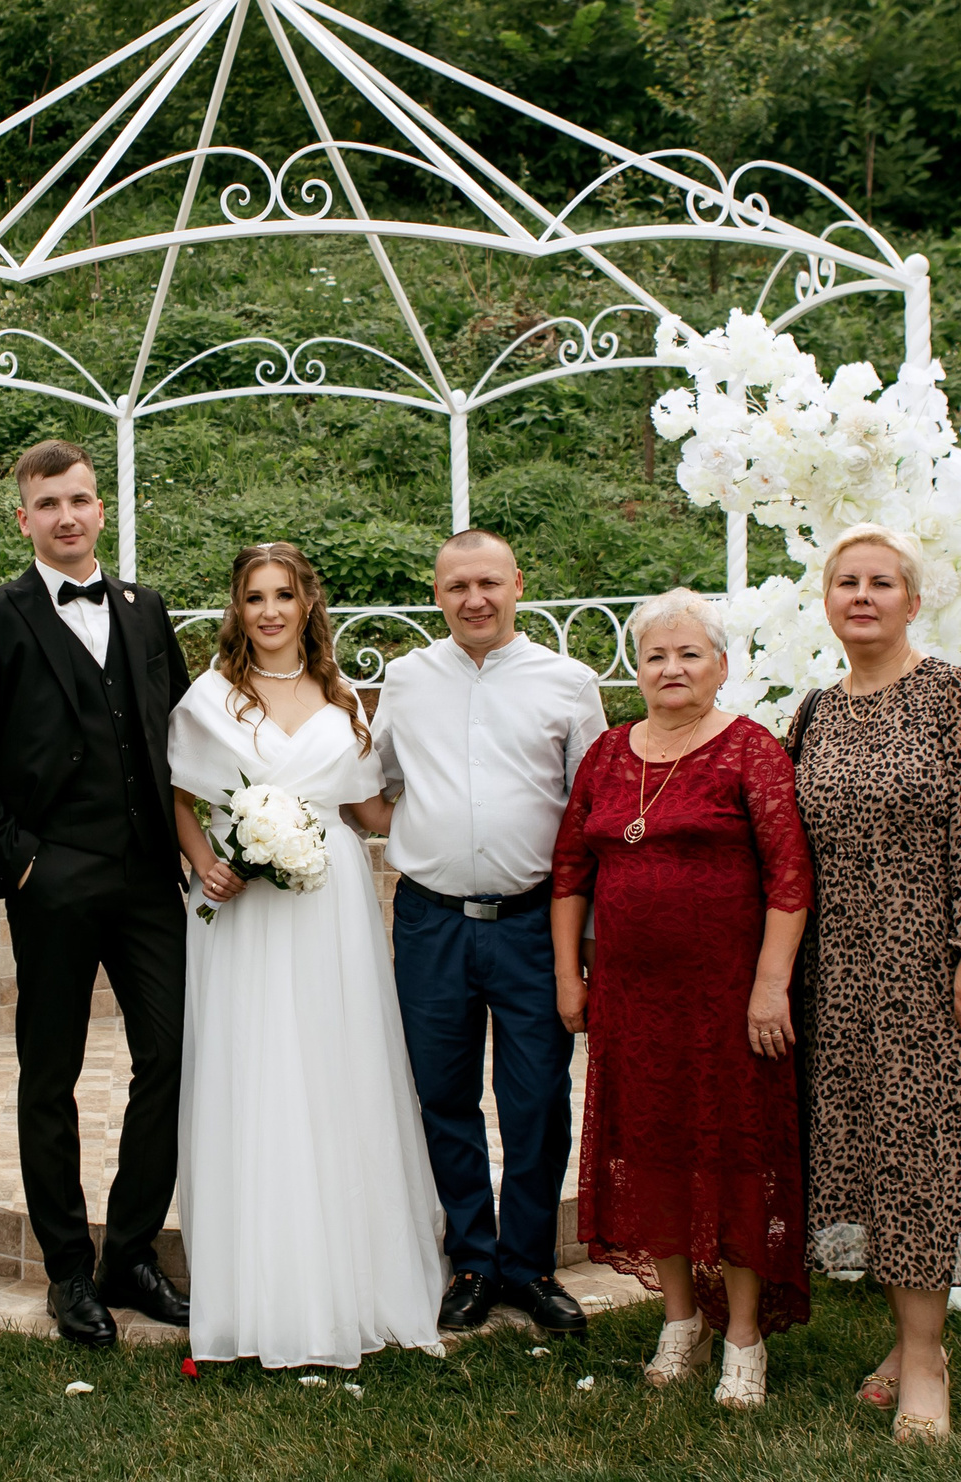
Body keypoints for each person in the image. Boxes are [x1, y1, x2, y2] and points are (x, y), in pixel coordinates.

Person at [785, 523, 961, 1444]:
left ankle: (927, 1362)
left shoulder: (957, 698)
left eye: (880, 582)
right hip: (841, 980)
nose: (862, 595)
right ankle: (905, 1339)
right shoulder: (815, 712)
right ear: (827, 601)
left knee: (924, 1160)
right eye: (845, 581)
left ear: (913, 600)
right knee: (874, 1160)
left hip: (935, 976)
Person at [0, 440, 194, 1347]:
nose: (69, 516)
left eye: (80, 499)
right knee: (50, 1075)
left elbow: (184, 734)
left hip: (149, 877)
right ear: (25, 519)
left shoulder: (145, 607)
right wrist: (23, 861)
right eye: (49, 504)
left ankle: (130, 1254)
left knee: (169, 1057)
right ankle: (67, 1271)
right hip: (53, 879)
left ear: (100, 506)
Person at [168, 543, 446, 1368]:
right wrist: (204, 862)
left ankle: (355, 1279)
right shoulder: (209, 697)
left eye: (284, 596)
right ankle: (260, 1287)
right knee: (253, 1072)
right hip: (242, 911)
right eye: (254, 597)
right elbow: (179, 796)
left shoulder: (343, 699)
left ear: (306, 604)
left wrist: (456, 809)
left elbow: (368, 810)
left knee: (337, 1066)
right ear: (237, 609)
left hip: (332, 908)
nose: (270, 611)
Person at [551, 589, 812, 1405]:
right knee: (652, 1154)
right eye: (657, 655)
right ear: (637, 669)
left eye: (690, 653)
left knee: (735, 1158)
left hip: (727, 1003)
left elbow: (791, 877)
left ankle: (742, 1333)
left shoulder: (749, 750)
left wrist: (770, 988)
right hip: (632, 999)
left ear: (721, 667)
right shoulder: (607, 753)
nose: (672, 668)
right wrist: (570, 975)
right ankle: (678, 1319)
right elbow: (569, 873)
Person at [370, 529, 608, 1335]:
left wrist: (586, 939)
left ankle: (530, 1265)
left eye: (488, 584)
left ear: (516, 583)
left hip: (534, 924)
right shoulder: (405, 680)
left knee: (537, 1097)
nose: (474, 600)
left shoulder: (569, 683)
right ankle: (472, 1260)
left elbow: (590, 812)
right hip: (432, 919)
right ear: (436, 595)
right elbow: (375, 787)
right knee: (443, 1095)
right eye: (456, 587)